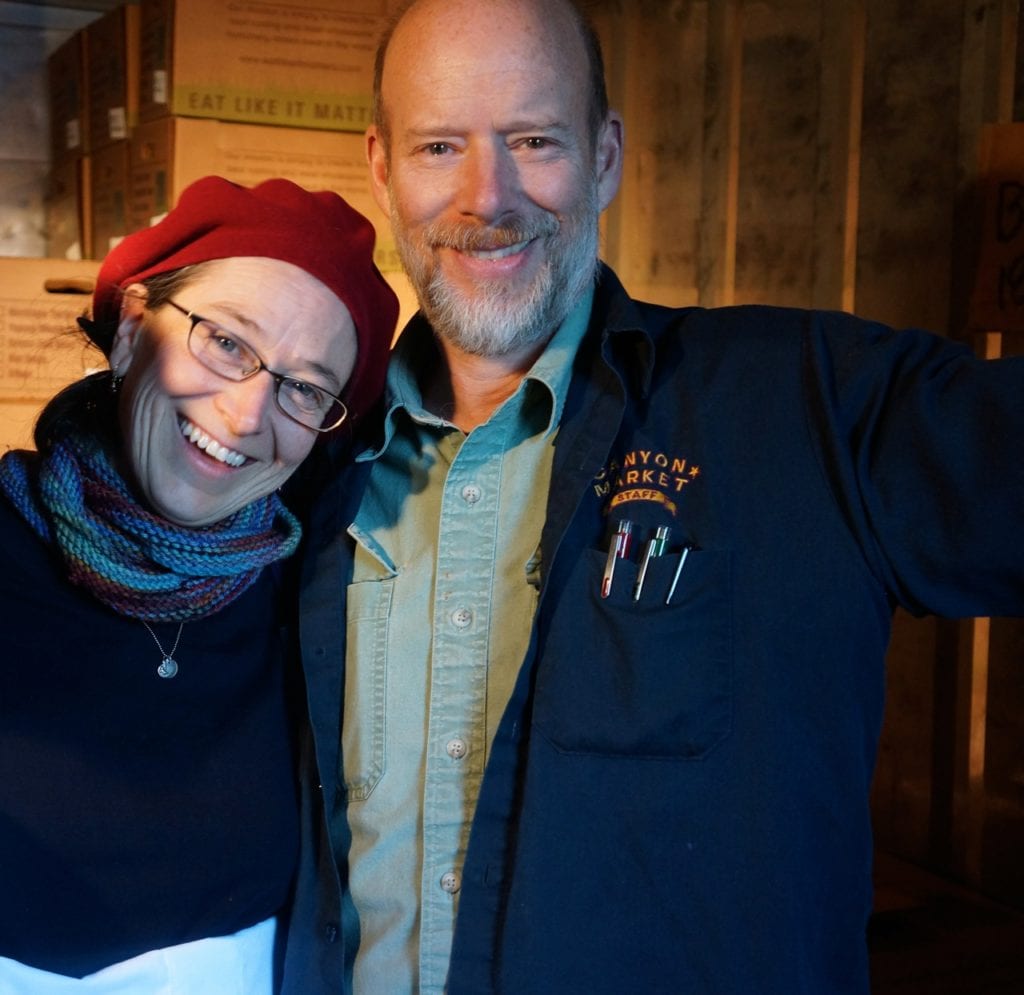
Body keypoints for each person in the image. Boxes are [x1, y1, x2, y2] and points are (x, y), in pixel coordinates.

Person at [294, 1, 1024, 992]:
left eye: (533, 140)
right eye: (438, 145)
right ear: (382, 167)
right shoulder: (308, 466)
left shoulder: (804, 404)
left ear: (603, 157)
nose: (485, 194)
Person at [0, 175, 397, 994]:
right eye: (225, 341)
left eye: (305, 388)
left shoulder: (319, 606)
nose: (249, 414)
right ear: (133, 327)